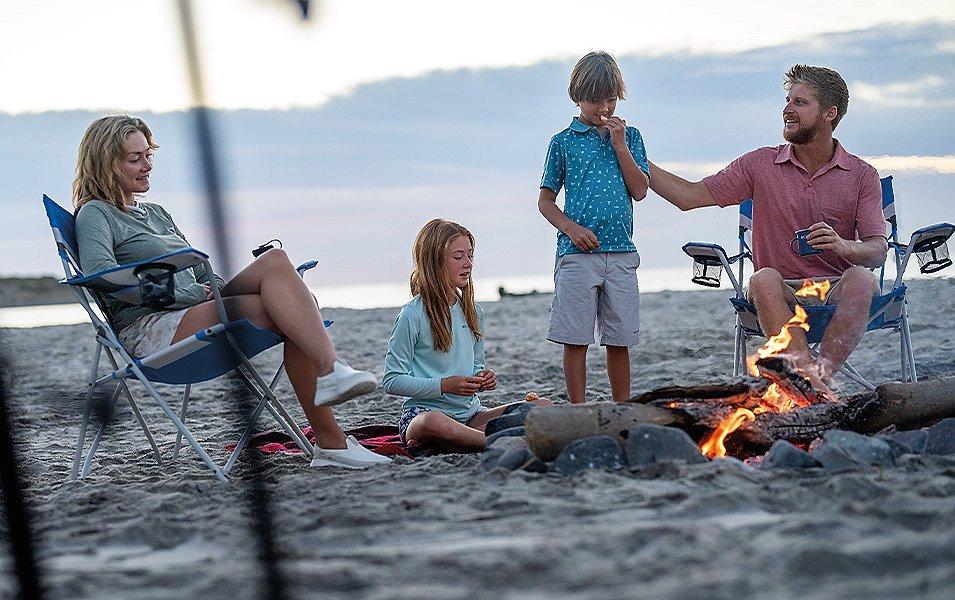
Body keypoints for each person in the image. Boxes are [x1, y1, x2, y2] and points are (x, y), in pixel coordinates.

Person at [73, 115, 389, 469]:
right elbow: (104, 278)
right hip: (153, 326)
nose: (147, 166)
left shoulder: (156, 213)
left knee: (276, 264)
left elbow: (195, 269)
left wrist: (213, 288)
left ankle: (333, 394)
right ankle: (333, 429)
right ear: (105, 162)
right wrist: (190, 294)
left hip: (193, 307)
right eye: (135, 159)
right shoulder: (95, 214)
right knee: (294, 310)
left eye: (149, 155)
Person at [647, 64, 887, 395]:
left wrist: (842, 246)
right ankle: (809, 382)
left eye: (800, 102)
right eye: (787, 100)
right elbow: (688, 197)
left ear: (830, 113)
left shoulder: (861, 175)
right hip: (780, 291)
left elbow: (877, 250)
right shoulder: (759, 165)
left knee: (862, 278)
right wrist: (636, 159)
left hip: (835, 290)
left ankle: (821, 380)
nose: (787, 109)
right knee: (762, 278)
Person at [538, 51, 651, 404]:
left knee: (619, 340)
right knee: (576, 339)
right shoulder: (563, 142)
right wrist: (571, 229)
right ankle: (578, 407)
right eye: (594, 98)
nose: (604, 106)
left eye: (611, 98)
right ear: (577, 96)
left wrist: (619, 146)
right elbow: (546, 201)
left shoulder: (630, 137)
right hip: (577, 254)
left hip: (621, 253)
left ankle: (621, 406)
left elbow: (640, 190)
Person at [382, 219, 551, 453]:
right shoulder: (412, 315)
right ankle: (496, 441)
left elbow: (476, 366)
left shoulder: (473, 312)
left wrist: (482, 379)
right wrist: (443, 386)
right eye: (458, 256)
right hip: (422, 415)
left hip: (470, 415)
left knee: (543, 406)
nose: (468, 263)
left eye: (470, 255)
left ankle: (466, 438)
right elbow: (391, 380)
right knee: (434, 423)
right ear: (434, 262)